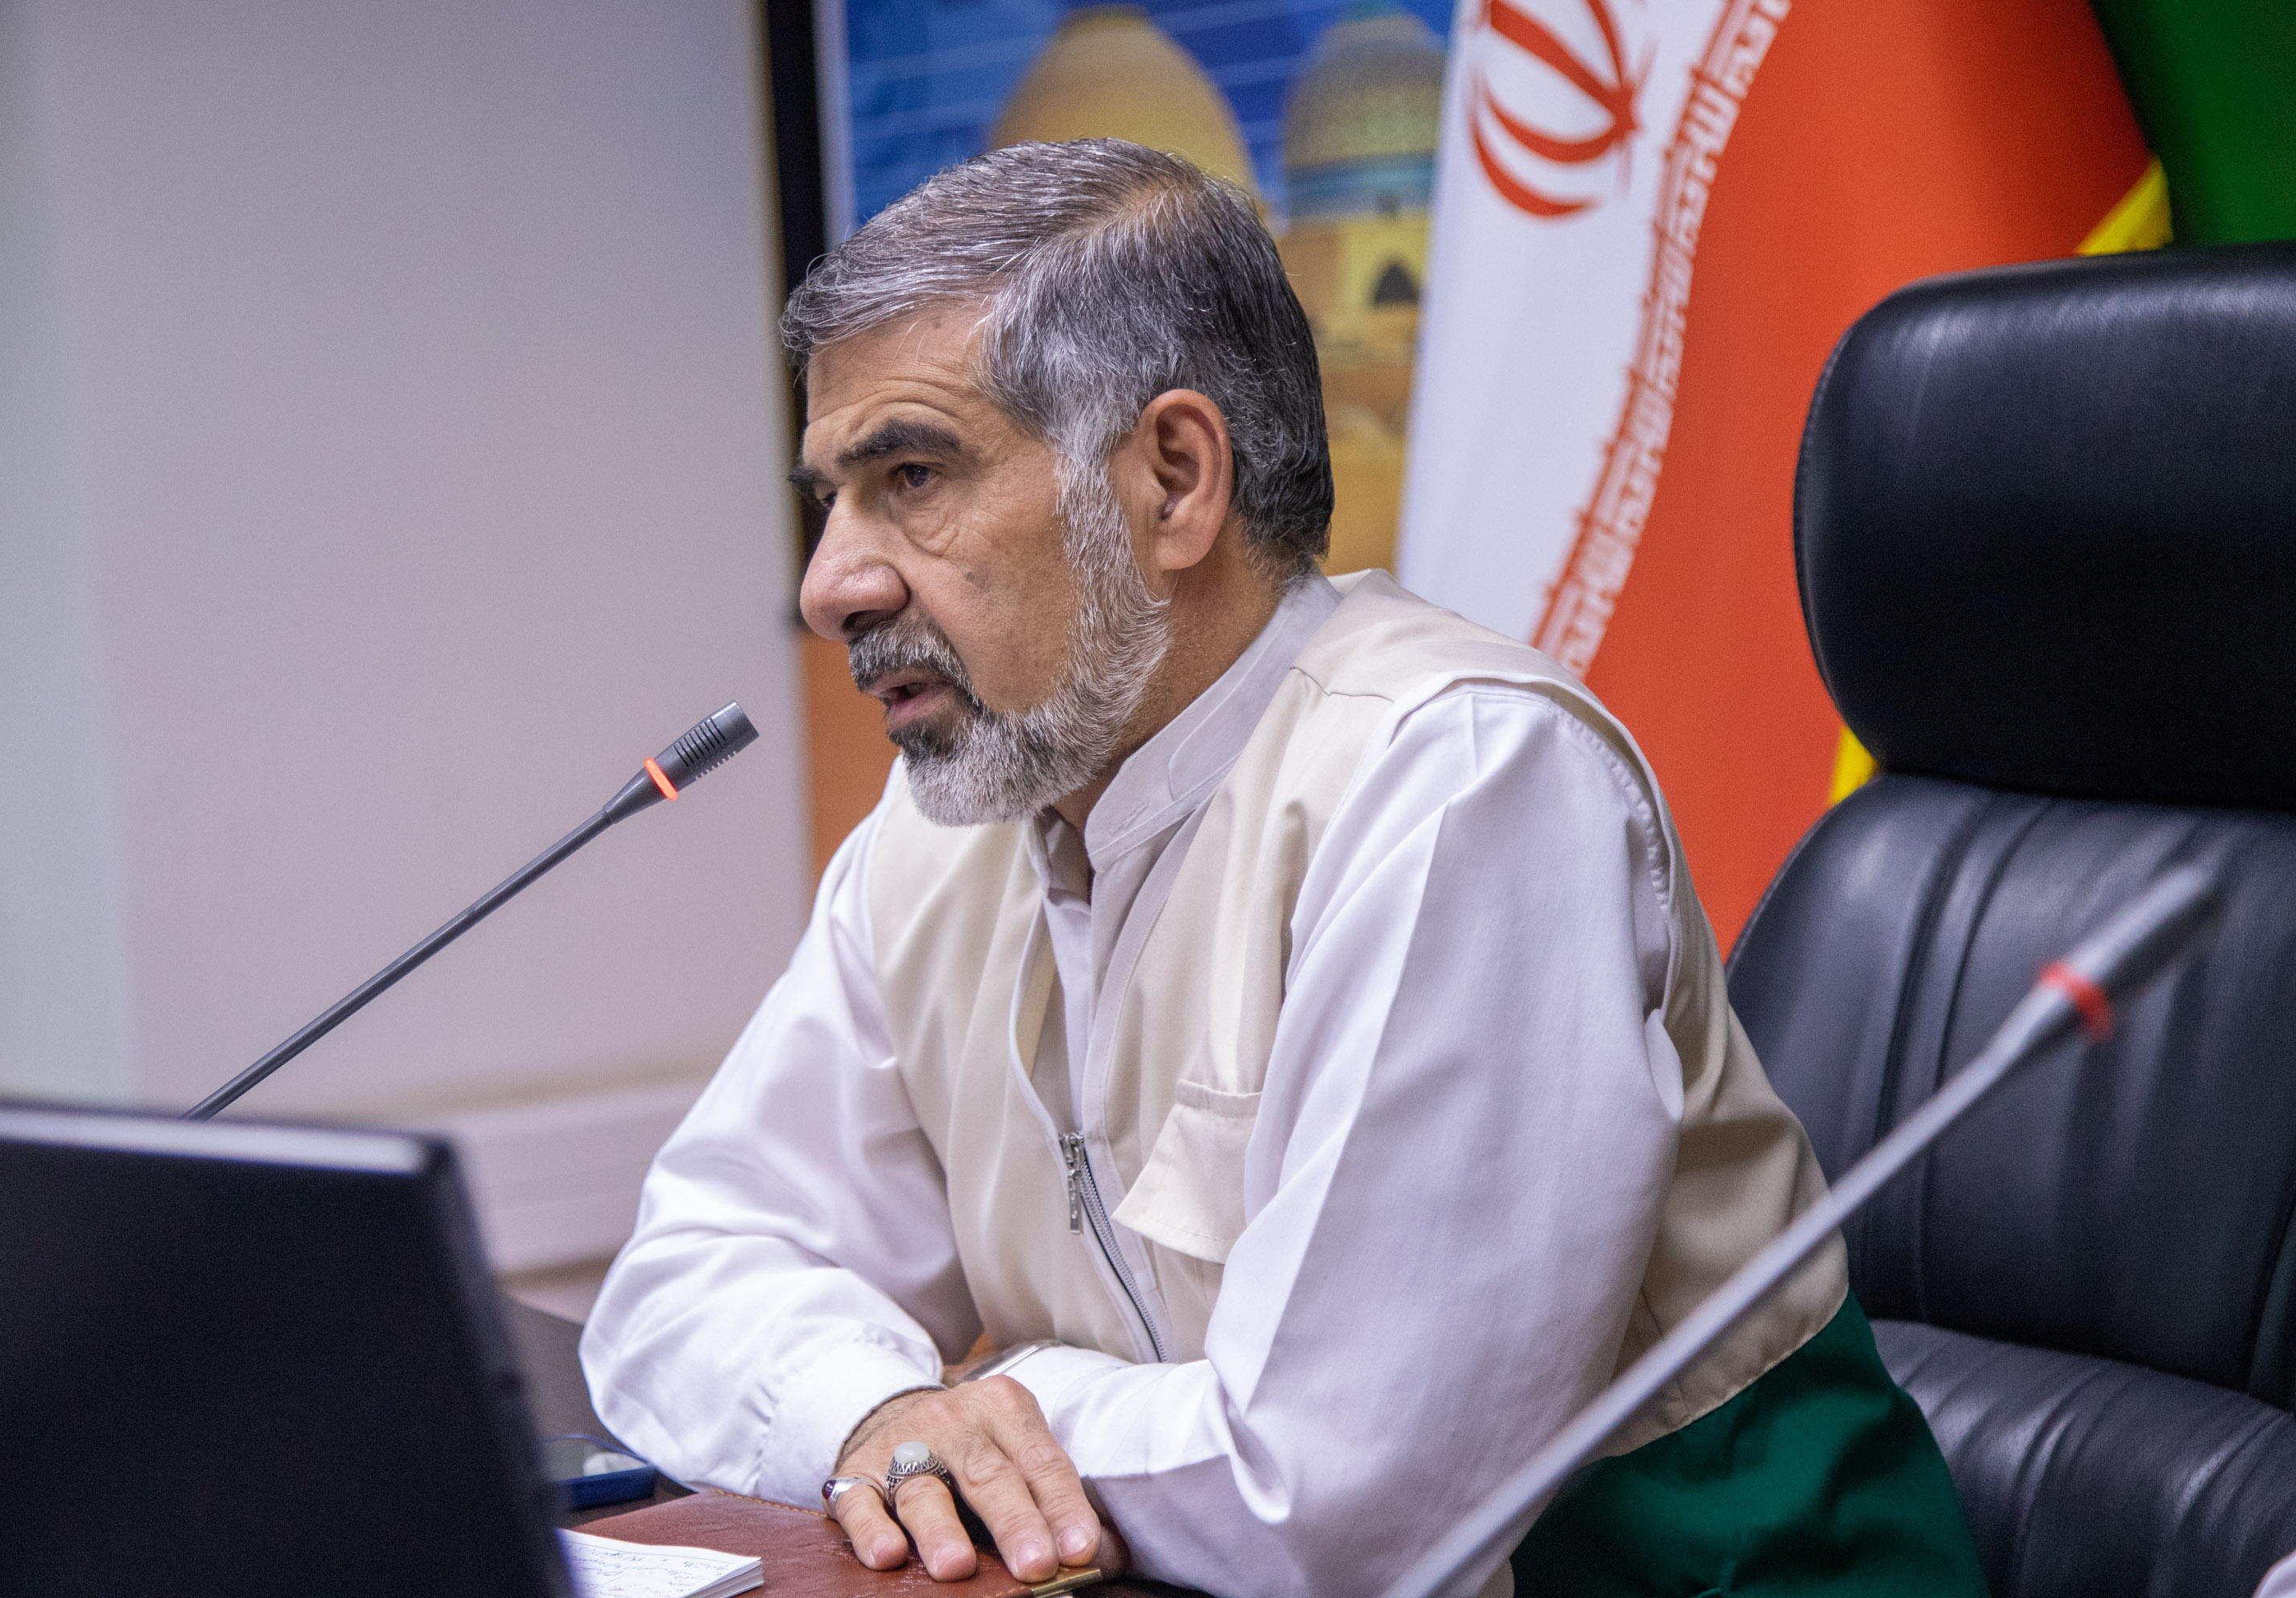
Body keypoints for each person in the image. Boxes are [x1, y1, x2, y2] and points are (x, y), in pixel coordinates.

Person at [582, 138, 1985, 1596]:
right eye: (834, 499)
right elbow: (680, 1285)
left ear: (1174, 481)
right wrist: (869, 1409)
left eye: (913, 477)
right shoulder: (950, 826)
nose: (831, 586)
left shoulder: (1461, 781)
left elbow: (1344, 1503)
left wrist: (997, 1411)